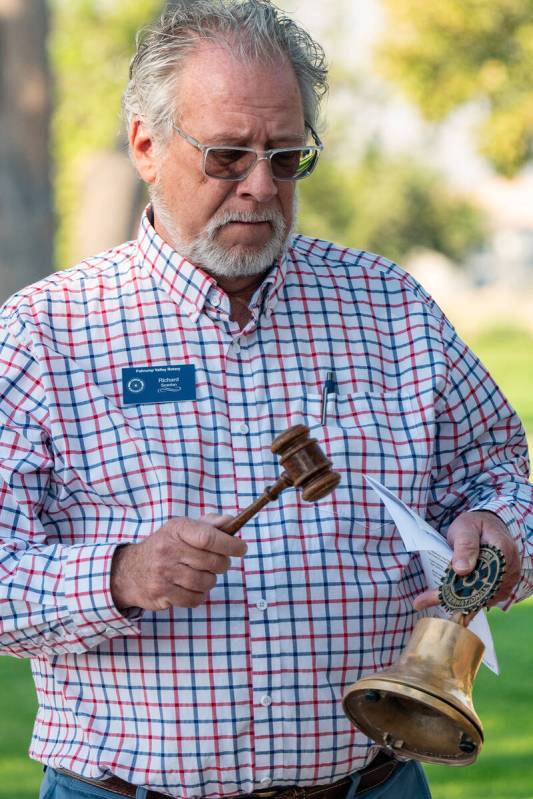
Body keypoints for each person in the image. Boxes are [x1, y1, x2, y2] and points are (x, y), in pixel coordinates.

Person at [0, 2, 531, 798]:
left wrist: (500, 532)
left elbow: (500, 474)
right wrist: (122, 575)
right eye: (226, 155)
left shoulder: (387, 305)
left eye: (285, 158)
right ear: (146, 144)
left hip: (371, 784)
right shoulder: (46, 333)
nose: (259, 185)